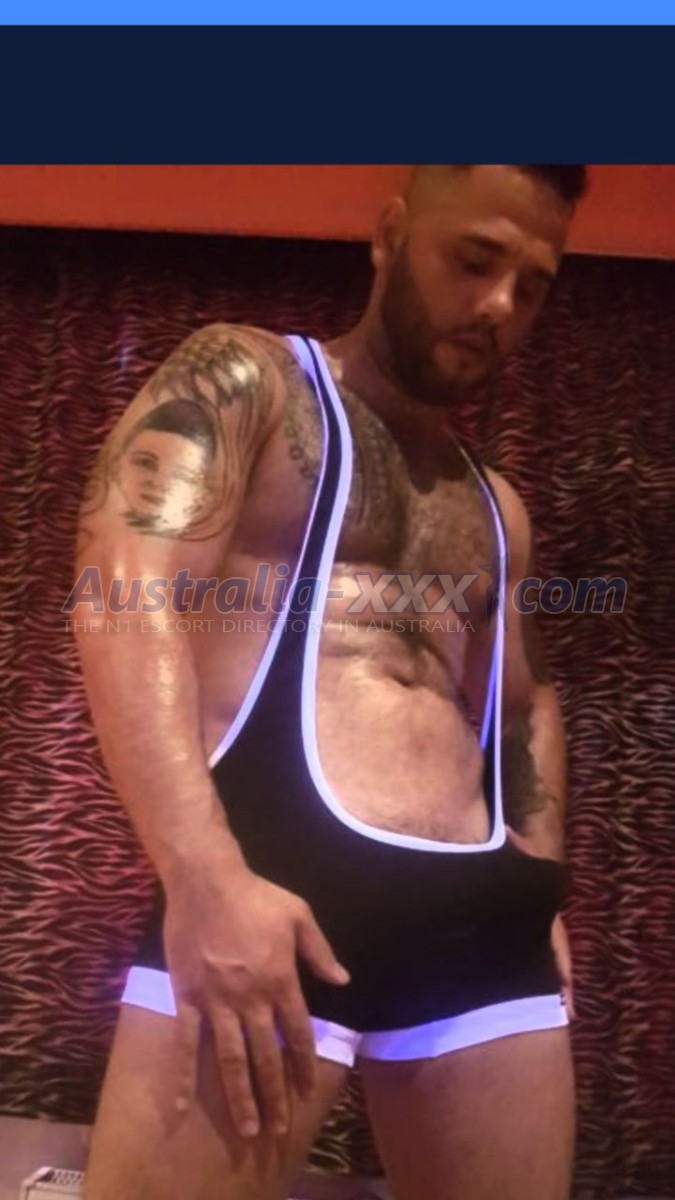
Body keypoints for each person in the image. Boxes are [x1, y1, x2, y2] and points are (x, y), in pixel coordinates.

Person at [75, 163, 587, 1200]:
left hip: (483, 924)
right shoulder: (247, 382)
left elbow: (524, 701)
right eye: (475, 259)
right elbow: (123, 596)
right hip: (270, 887)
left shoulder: (497, 505)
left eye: (532, 285)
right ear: (391, 234)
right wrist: (203, 877)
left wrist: (537, 881)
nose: (499, 305)